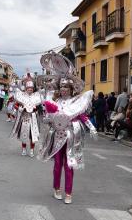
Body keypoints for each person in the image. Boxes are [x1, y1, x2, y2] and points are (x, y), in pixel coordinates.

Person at [37, 52, 96, 204]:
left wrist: (92, 127)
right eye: (61, 87)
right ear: (59, 88)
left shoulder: (76, 102)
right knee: (57, 164)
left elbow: (82, 116)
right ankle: (56, 188)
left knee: (69, 164)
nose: (64, 89)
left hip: (71, 135)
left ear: (71, 89)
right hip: (57, 135)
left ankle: (68, 192)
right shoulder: (54, 102)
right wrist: (47, 119)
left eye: (66, 87)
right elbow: (49, 118)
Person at [11, 73, 43, 157]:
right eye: (28, 88)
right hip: (24, 118)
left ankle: (32, 150)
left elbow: (40, 107)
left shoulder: (37, 96)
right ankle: (24, 149)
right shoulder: (21, 96)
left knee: (33, 135)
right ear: (26, 88)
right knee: (24, 134)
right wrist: (22, 109)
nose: (30, 90)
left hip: (33, 118)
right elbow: (16, 105)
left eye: (31, 88)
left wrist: (36, 109)